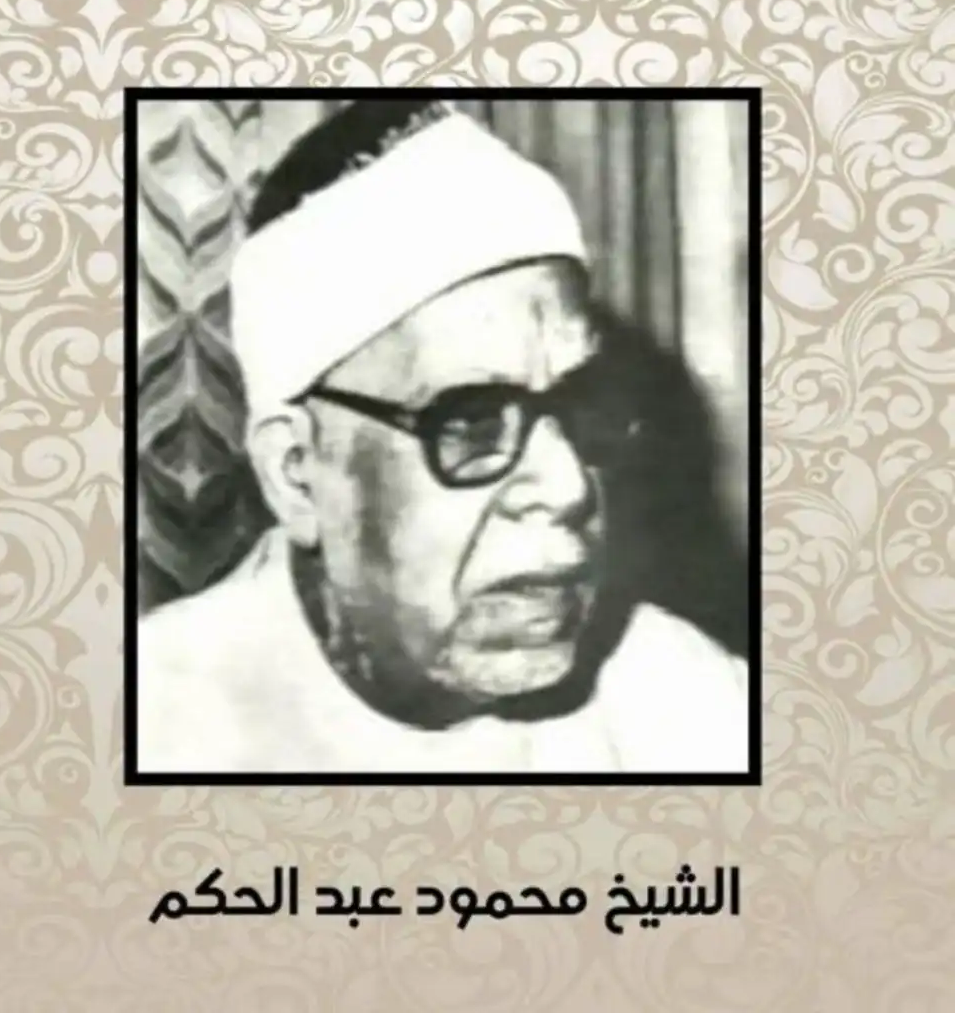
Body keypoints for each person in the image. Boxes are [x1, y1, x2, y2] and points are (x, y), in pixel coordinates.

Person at [135, 100, 749, 775]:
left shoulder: (690, 705)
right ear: (298, 473)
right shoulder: (150, 724)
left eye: (583, 406)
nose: (570, 486)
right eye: (472, 424)